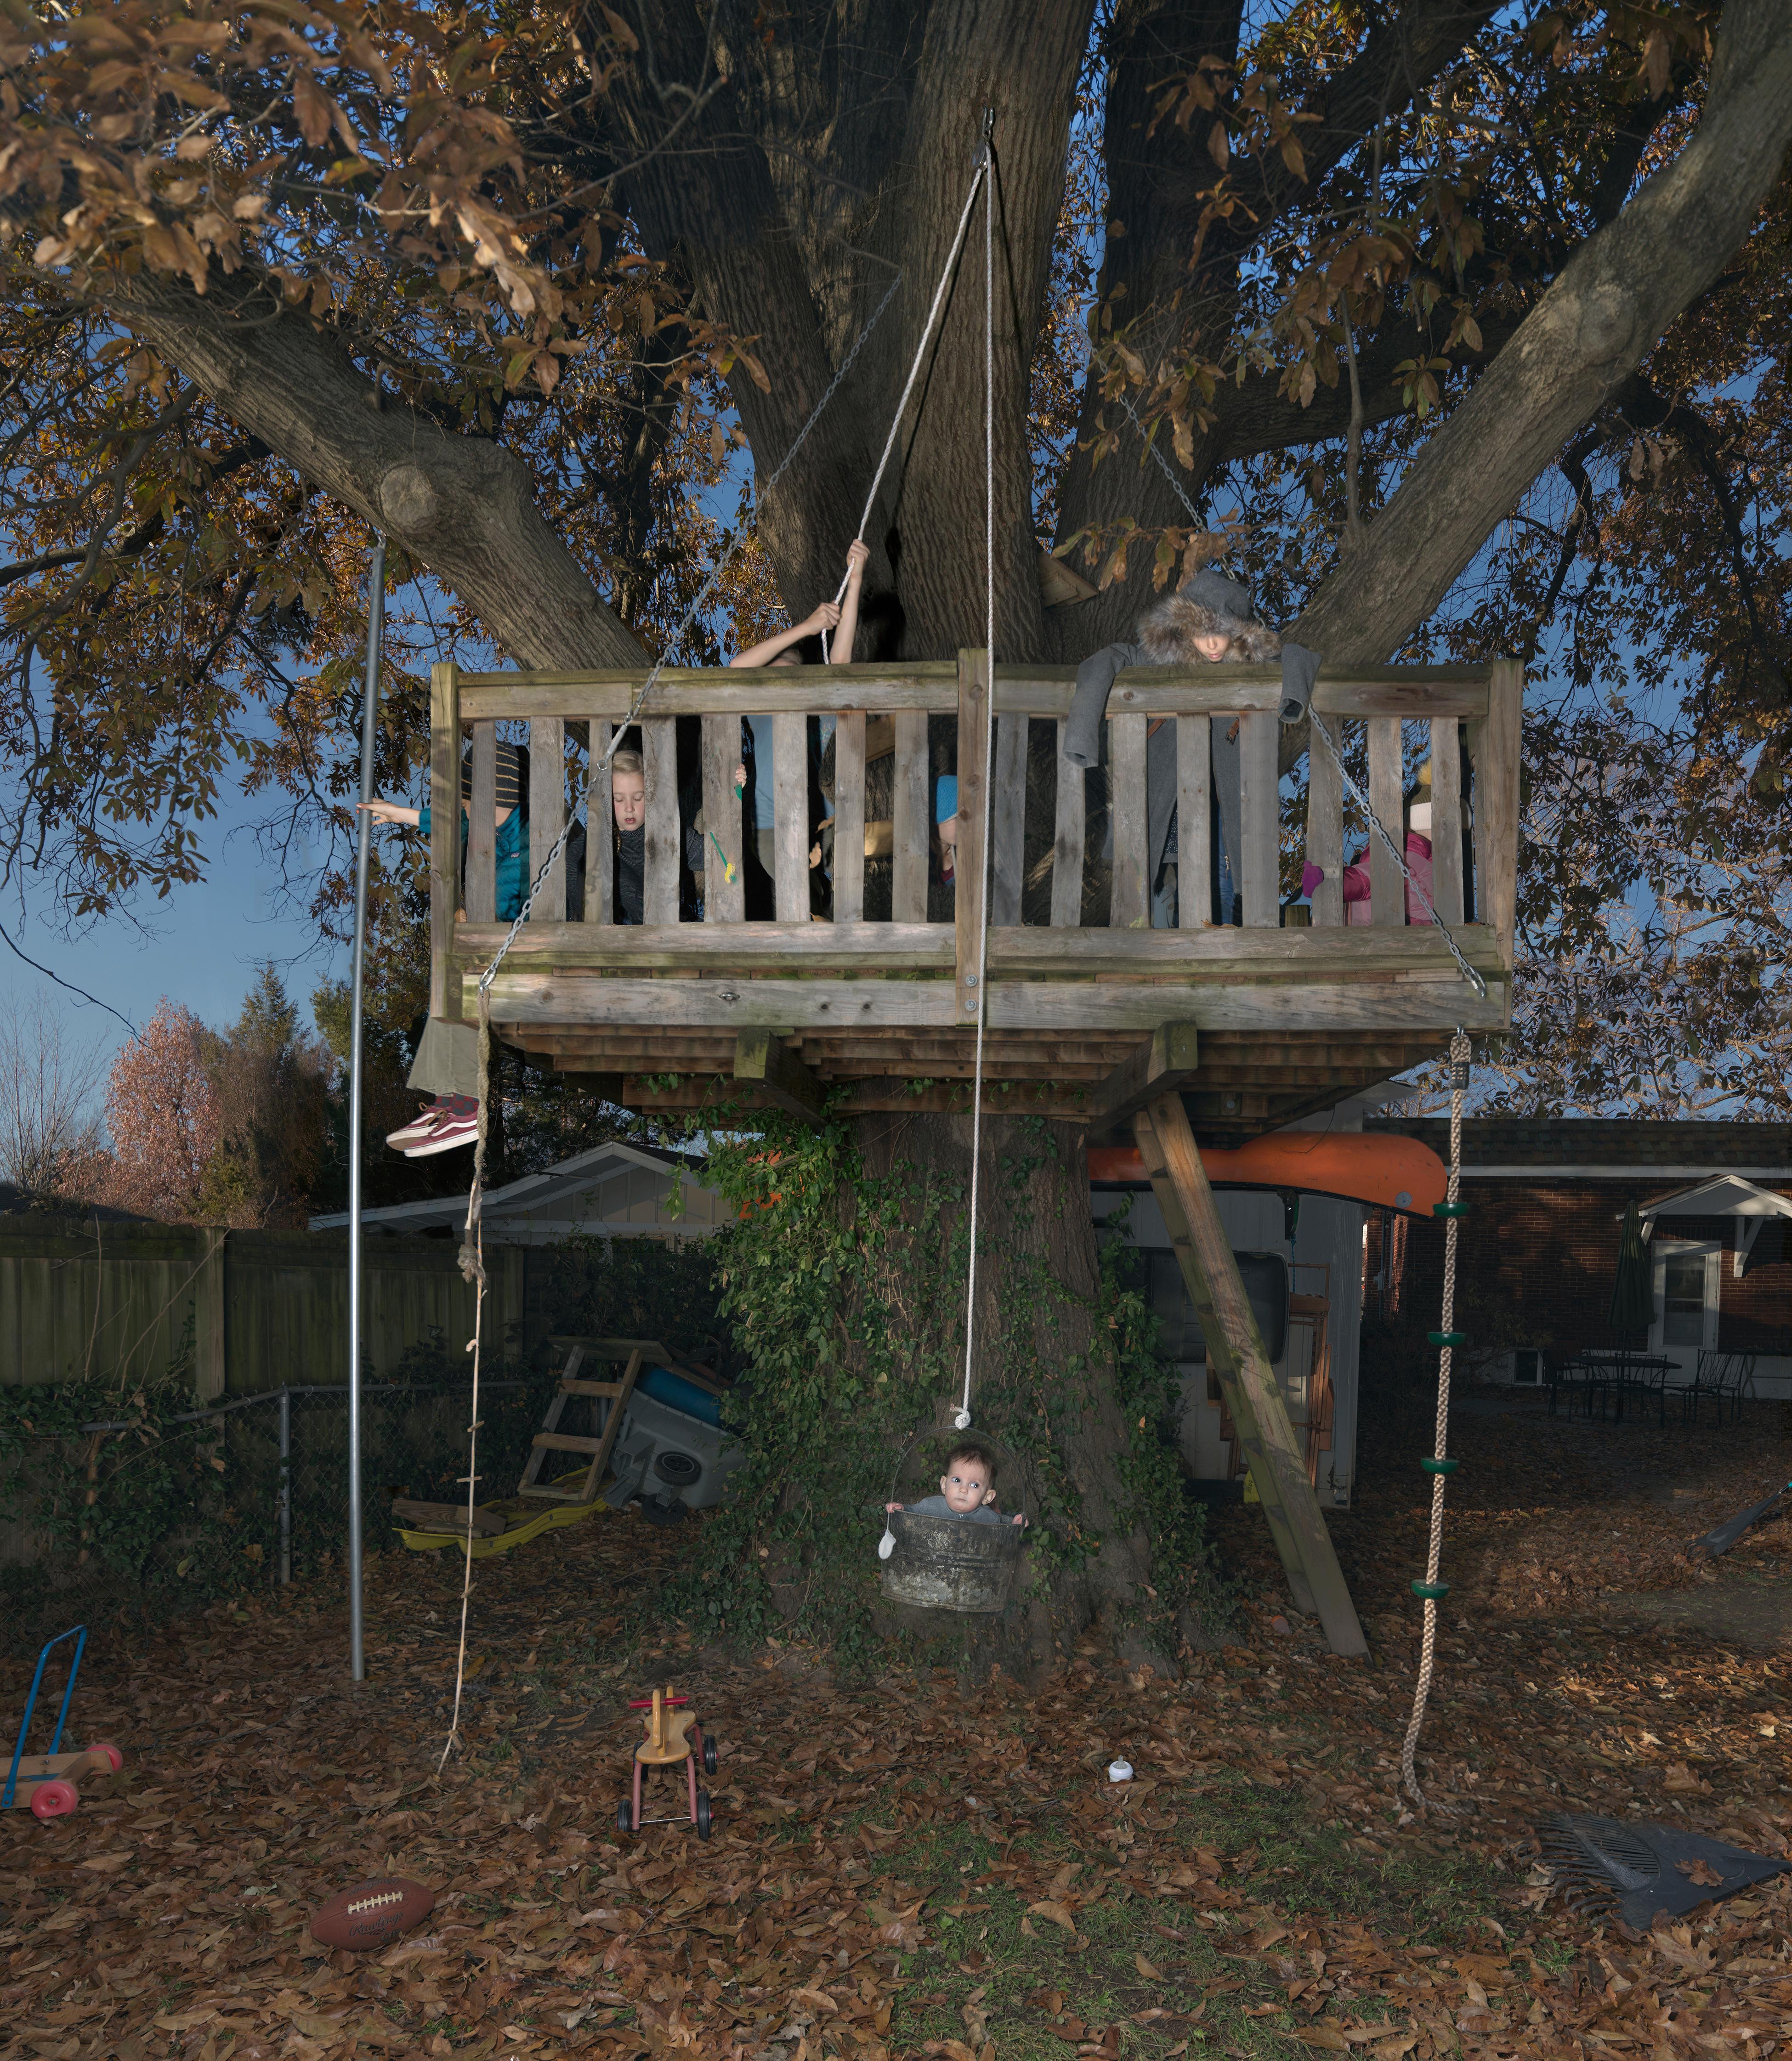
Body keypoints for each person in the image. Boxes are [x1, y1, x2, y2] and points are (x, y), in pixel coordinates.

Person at [1061, 567, 1320, 925]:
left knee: (1228, 864)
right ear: (1185, 630)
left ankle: (1243, 930)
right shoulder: (1159, 660)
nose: (1212, 644)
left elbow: (1298, 657)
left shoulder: (1250, 663)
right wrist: (1081, 737)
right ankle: (1168, 936)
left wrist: (1291, 699)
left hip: (1227, 788)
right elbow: (1105, 660)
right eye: (1202, 633)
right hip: (1175, 784)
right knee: (1172, 866)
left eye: (1222, 633)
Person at [361, 742, 531, 1157]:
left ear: (498, 800)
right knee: (449, 978)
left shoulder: (530, 839)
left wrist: (474, 920)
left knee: (461, 972)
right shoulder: (484, 823)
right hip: (492, 951)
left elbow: (515, 898)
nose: (467, 812)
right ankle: (450, 1102)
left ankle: (465, 1104)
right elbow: (450, 822)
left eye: (473, 803)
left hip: (525, 952)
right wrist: (400, 814)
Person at [730, 540, 870, 885]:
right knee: (799, 893)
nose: (788, 676)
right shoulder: (761, 707)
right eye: (779, 670)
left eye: (797, 670)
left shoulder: (820, 706)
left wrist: (855, 580)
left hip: (827, 822)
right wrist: (807, 627)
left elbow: (839, 662)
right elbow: (737, 669)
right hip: (772, 826)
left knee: (845, 890)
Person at [885, 1439, 1026, 1527]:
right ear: (944, 1485)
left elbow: (1004, 1525)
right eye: (957, 1480)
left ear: (987, 1497)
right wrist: (901, 1509)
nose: (963, 1489)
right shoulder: (931, 1506)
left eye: (974, 1485)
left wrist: (1015, 1523)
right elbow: (913, 1513)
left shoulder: (988, 1517)